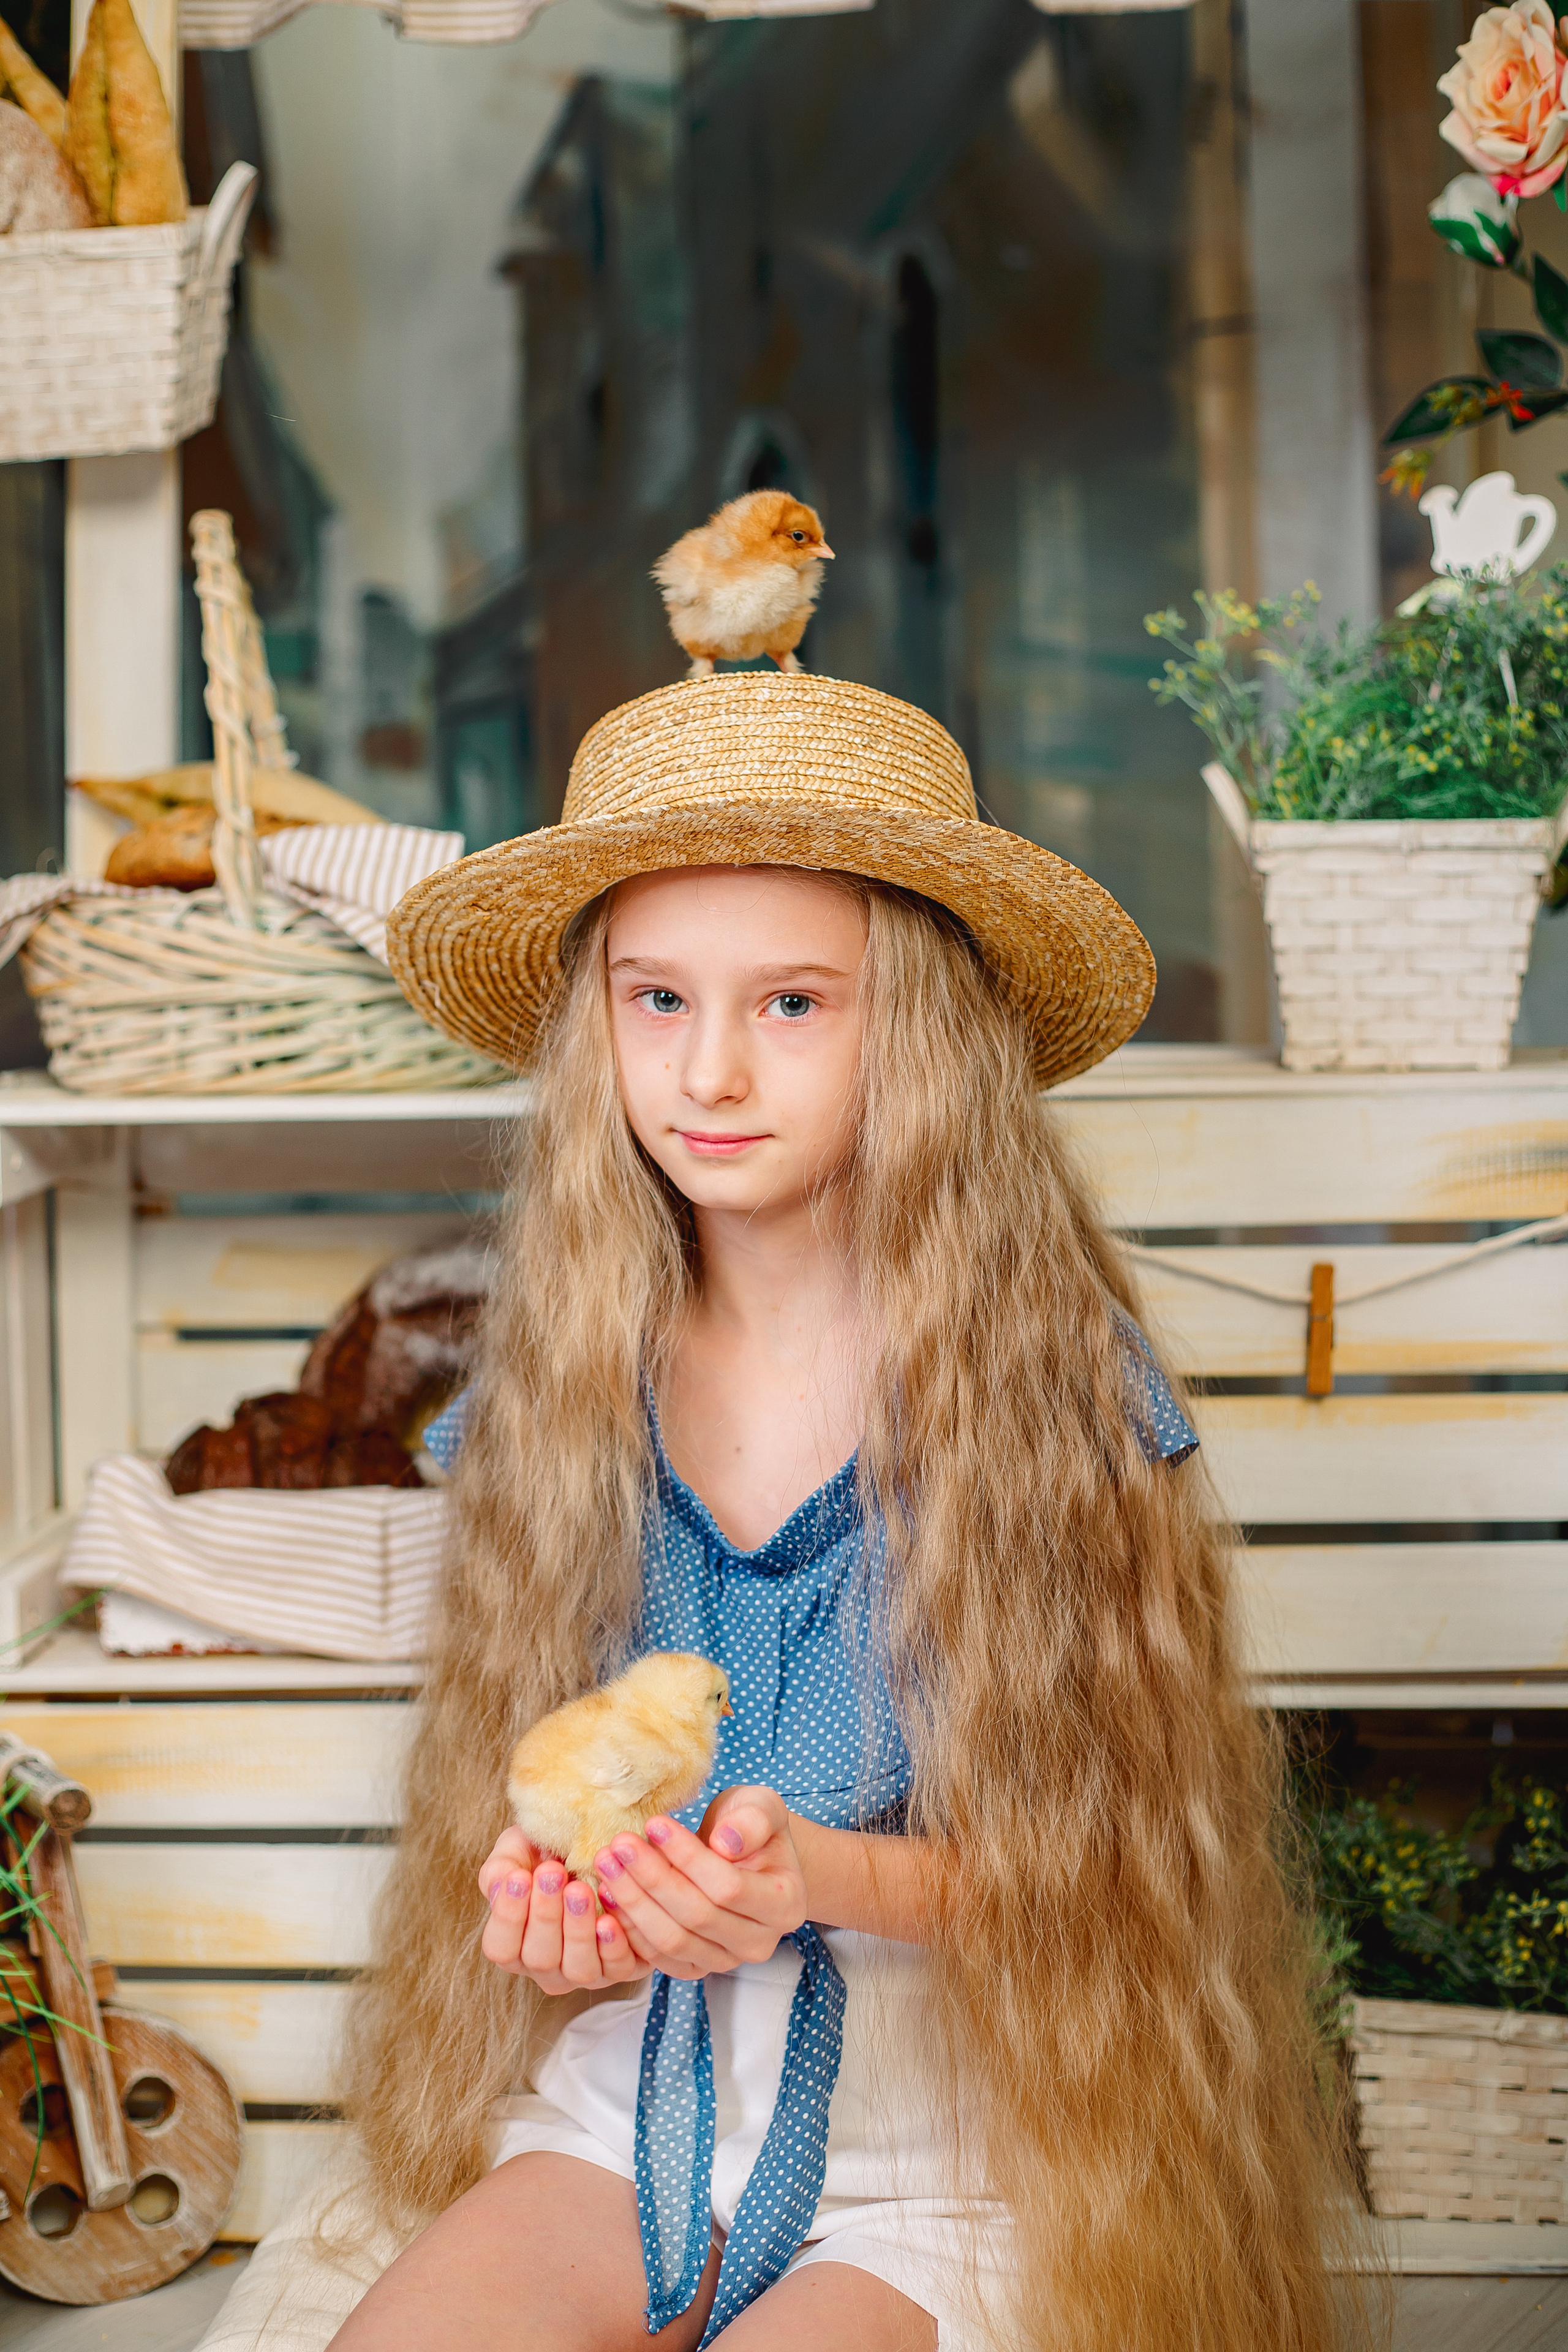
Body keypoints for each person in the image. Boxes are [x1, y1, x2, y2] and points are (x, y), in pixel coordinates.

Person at [200, 674, 1363, 2352]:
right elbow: (553, 1789)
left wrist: (815, 1874)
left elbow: (1110, 1887)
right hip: (631, 2111)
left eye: (797, 1004)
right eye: (656, 998)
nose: (714, 1071)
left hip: (961, 2146)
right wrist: (564, 1913)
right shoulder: (562, 1386)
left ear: (925, 1027)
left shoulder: (1048, 1391)